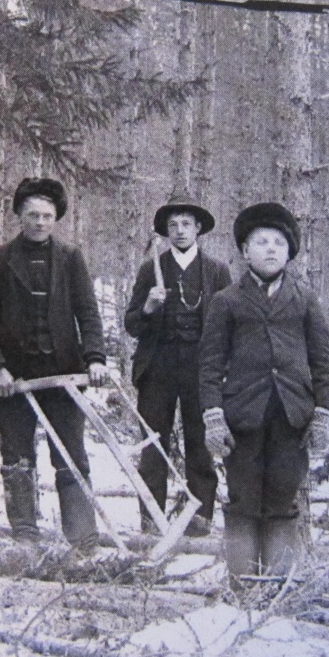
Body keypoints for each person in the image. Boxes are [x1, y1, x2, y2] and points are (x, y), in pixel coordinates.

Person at [0, 177, 109, 549]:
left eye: (47, 216)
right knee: (17, 457)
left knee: (71, 456)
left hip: (64, 378)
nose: (40, 222)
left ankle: (83, 538)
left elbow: (88, 314)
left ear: (56, 218)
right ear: (19, 215)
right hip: (14, 381)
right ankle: (25, 534)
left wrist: (94, 358)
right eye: (33, 214)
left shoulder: (70, 258)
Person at [199, 202, 329, 581]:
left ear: (290, 251)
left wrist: (322, 413)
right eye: (261, 242)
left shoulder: (305, 300)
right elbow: (209, 364)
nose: (270, 249)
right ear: (244, 251)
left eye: (278, 242)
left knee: (282, 500)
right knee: (243, 500)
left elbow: (323, 361)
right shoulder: (226, 301)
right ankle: (242, 584)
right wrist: (213, 416)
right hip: (242, 416)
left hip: (293, 416)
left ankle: (278, 585)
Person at [123, 194, 231, 536]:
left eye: (186, 224)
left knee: (200, 445)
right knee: (154, 445)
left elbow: (230, 325)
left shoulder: (216, 271)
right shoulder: (150, 268)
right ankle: (151, 520)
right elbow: (131, 324)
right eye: (173, 225)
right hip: (158, 368)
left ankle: (199, 520)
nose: (180, 231)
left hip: (202, 371)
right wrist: (149, 308)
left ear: (199, 228)